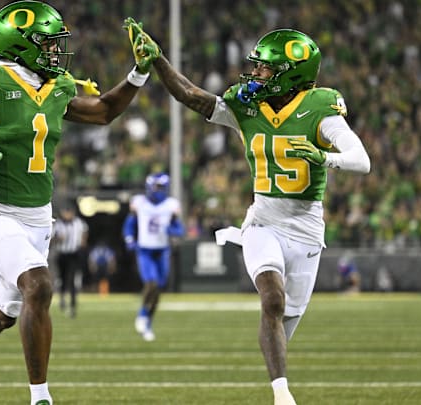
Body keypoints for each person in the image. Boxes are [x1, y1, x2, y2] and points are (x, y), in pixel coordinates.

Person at [0, 2, 157, 404]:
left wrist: (139, 72)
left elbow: (104, 111)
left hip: (36, 217)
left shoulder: (57, 85)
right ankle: (40, 397)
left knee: (2, 315)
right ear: (20, 46)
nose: (57, 52)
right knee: (39, 286)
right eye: (47, 44)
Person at [125, 20, 370, 404]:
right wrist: (159, 62)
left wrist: (325, 157)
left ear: (291, 75)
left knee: (285, 319)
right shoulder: (247, 104)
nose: (255, 72)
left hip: (305, 229)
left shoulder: (319, 108)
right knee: (271, 298)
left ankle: (276, 382)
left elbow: (361, 159)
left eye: (265, 68)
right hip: (262, 221)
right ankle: (282, 394)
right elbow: (191, 96)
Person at [122, 172, 185, 341]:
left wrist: (172, 231)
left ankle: (148, 322)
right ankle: (143, 314)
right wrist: (129, 239)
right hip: (145, 250)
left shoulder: (171, 205)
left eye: (162, 187)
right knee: (151, 282)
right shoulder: (139, 203)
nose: (159, 190)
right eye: (157, 187)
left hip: (162, 250)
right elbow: (129, 224)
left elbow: (180, 229)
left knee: (158, 289)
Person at [51, 204, 88, 318]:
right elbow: (51, 239)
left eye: (69, 212)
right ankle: (62, 298)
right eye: (65, 212)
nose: (67, 215)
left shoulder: (79, 223)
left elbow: (85, 232)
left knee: (72, 278)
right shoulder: (58, 224)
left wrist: (83, 241)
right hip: (62, 254)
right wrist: (58, 239)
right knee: (62, 278)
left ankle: (72, 304)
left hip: (74, 254)